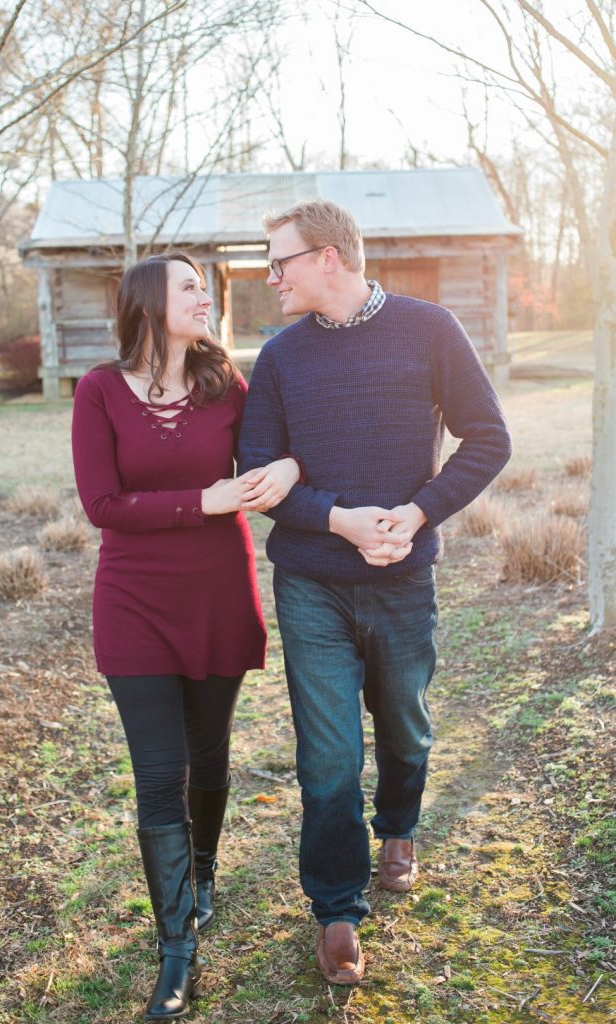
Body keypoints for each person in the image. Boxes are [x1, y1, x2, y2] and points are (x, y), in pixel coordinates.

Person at [238, 200, 512, 986]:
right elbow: (258, 473)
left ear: (327, 257)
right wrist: (338, 519)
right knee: (327, 758)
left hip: (402, 579)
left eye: (278, 261)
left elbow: (487, 437)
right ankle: (335, 910)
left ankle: (398, 827)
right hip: (312, 586)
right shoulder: (280, 357)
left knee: (405, 729)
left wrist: (418, 510)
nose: (270, 277)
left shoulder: (430, 330)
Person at [71, 253, 300, 1020]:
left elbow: (265, 468)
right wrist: (202, 500)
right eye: (191, 287)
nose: (206, 296)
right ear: (148, 302)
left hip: (216, 595)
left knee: (209, 754)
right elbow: (102, 502)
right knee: (157, 773)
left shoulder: (226, 384)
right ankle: (177, 950)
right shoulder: (99, 390)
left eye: (208, 286)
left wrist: (290, 469)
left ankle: (202, 874)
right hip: (132, 599)